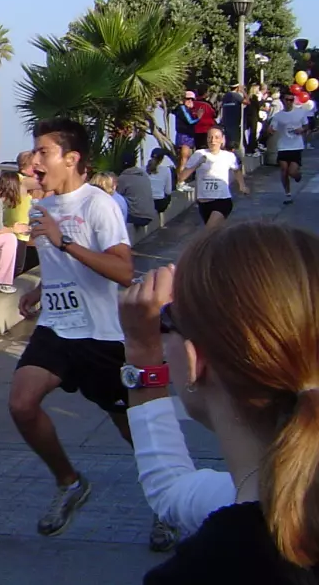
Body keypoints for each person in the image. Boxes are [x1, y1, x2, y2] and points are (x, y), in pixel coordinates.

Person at [118, 224, 319, 582]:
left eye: (169, 323)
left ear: (197, 360)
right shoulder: (294, 494)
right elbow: (171, 491)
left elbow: (171, 492)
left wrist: (142, 354)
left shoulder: (211, 567)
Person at [12, 118, 175, 550]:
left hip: (101, 337)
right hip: (56, 329)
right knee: (21, 404)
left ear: (72, 158)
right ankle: (70, 483)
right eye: (35, 153)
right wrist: (42, 290)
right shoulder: (42, 208)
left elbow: (123, 270)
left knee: (134, 432)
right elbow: (65, 265)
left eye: (44, 152)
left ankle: (167, 507)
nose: (35, 162)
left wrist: (63, 242)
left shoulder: (97, 205)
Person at [177, 127, 249, 227]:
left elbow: (236, 170)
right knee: (215, 233)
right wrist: (197, 164)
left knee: (209, 231)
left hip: (222, 200)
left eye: (216, 137)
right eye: (210, 137)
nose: (213, 141)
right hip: (204, 202)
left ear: (222, 139)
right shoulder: (199, 154)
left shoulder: (228, 156)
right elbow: (181, 178)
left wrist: (242, 185)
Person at [266, 88, 312, 205]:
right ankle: (287, 194)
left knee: (292, 171)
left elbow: (307, 126)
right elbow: (272, 128)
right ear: (283, 100)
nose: (289, 102)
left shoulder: (300, 112)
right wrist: (270, 130)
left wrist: (302, 129)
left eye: (291, 100)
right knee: (284, 170)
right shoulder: (278, 116)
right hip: (283, 146)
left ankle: (297, 176)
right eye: (287, 100)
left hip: (296, 146)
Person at [0, 171, 35, 277]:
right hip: (18, 233)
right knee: (16, 268)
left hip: (15, 231)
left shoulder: (16, 183)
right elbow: (44, 181)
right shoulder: (21, 181)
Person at [116, 152, 155, 228]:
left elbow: (115, 197)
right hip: (149, 216)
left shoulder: (123, 178)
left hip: (135, 216)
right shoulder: (144, 175)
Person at [174, 93, 200, 179]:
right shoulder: (182, 108)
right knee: (183, 159)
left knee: (186, 159)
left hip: (188, 135)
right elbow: (190, 121)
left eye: (192, 99)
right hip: (184, 136)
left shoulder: (188, 109)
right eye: (188, 99)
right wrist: (198, 118)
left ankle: (180, 179)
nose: (190, 101)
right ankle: (180, 180)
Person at [145, 149, 174, 216]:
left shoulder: (142, 169)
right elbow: (168, 191)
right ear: (162, 159)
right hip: (159, 204)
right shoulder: (166, 170)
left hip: (146, 203)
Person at [220, 83, 245, 149]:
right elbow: (247, 102)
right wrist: (243, 92)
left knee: (228, 141)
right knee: (234, 142)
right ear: (237, 87)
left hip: (226, 121)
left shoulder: (225, 95)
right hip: (234, 122)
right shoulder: (236, 95)